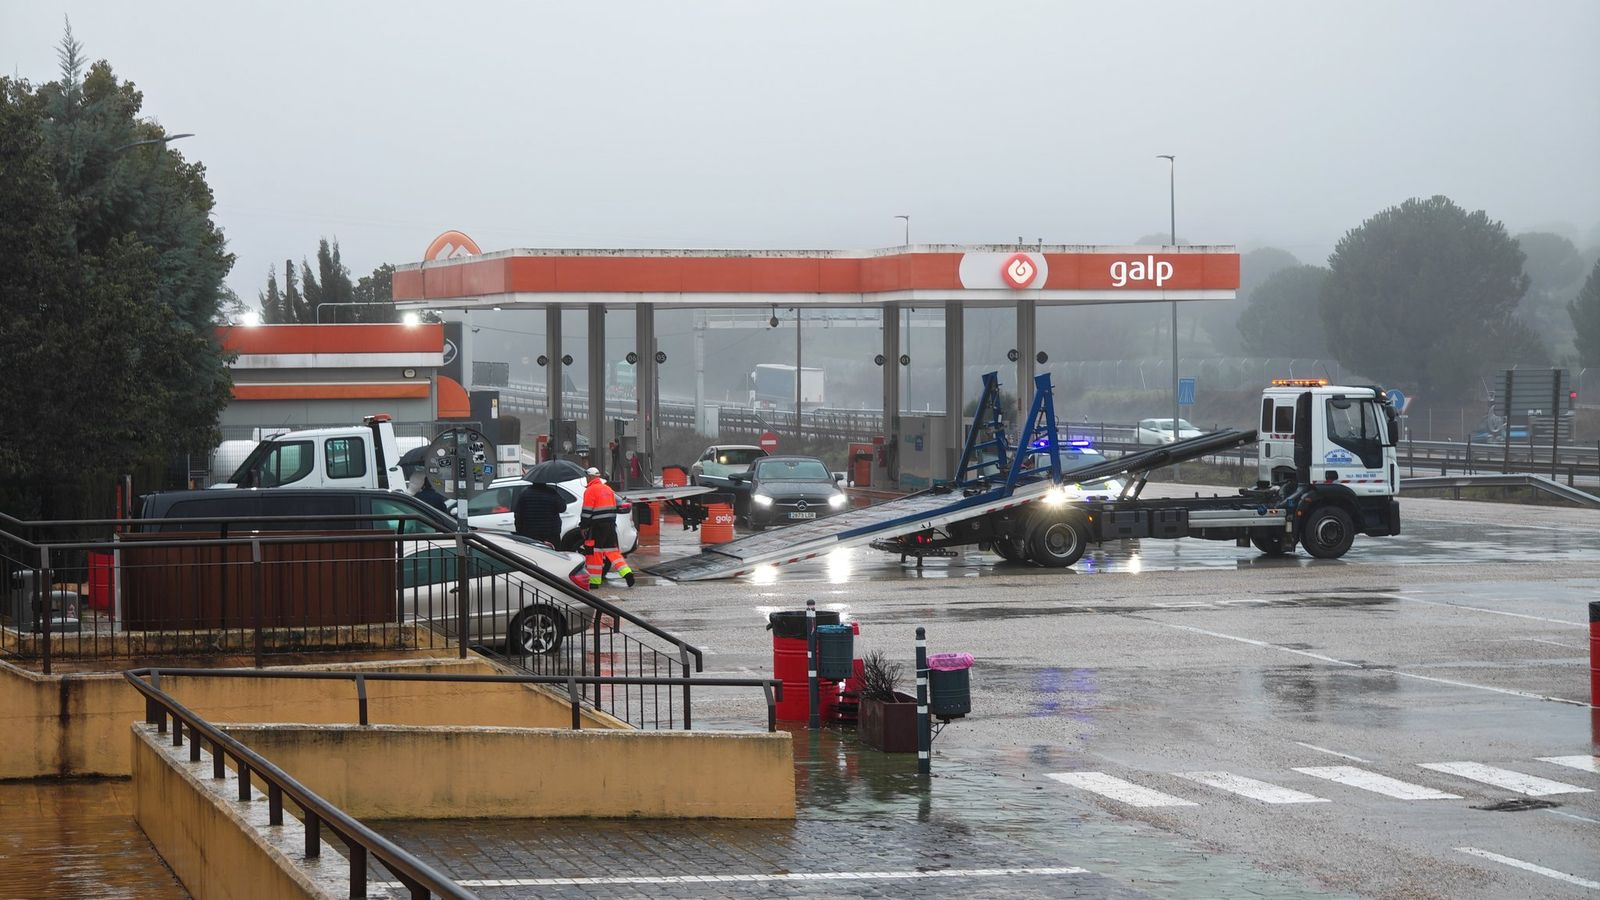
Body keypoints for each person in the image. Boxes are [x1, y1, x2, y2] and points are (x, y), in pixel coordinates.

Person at [580, 467, 634, 589]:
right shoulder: (608, 489)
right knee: (613, 552)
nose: (586, 479)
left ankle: (594, 582)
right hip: (610, 526)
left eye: (587, 477)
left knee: (594, 553)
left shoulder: (590, 490)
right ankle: (627, 573)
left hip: (597, 527)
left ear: (590, 477)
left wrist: (583, 526)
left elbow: (587, 512)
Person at [514, 481, 566, 546]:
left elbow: (518, 515)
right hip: (551, 533)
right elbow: (562, 508)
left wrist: (520, 531)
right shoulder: (551, 492)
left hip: (530, 534)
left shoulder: (524, 494)